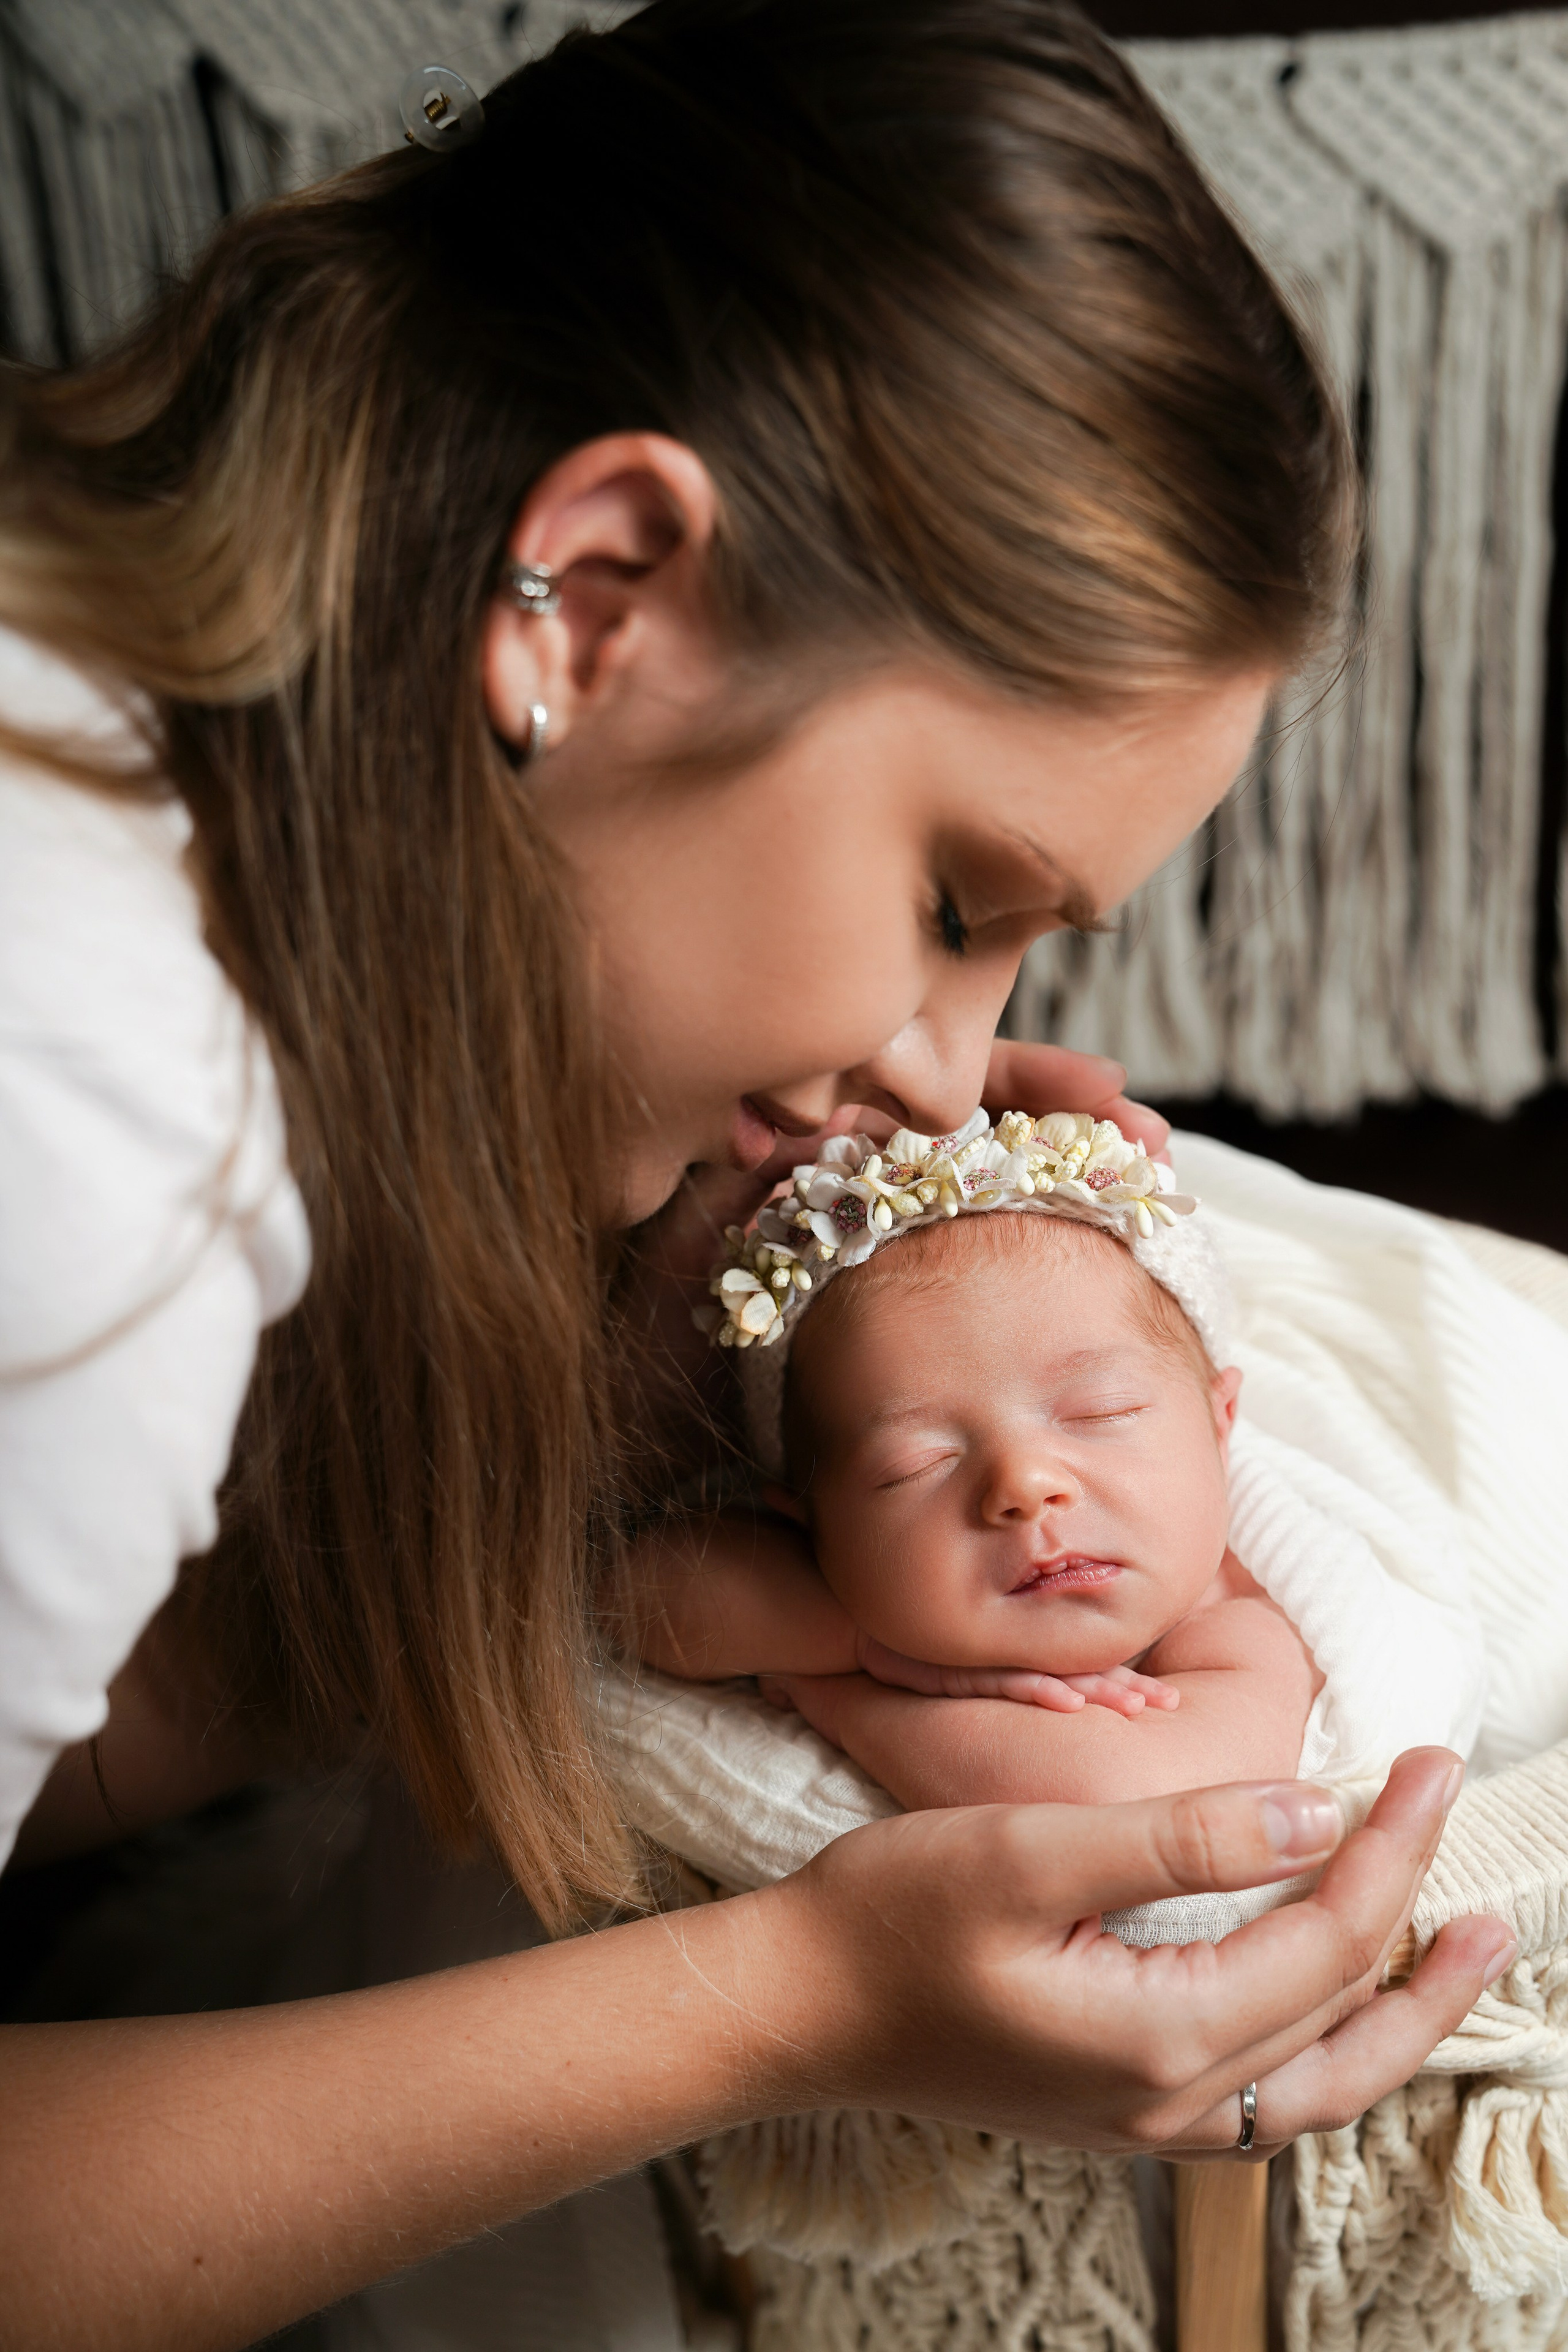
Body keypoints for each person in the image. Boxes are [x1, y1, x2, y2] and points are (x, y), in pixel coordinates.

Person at [0, 2, 1512, 2344]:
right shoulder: (83, 1094)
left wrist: (566, 1430)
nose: (946, 1080)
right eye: (946, 901)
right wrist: (805, 1997)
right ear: (595, 598)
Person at [631, 1106, 1480, 1817]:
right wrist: (859, 1638)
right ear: (811, 1524)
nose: (1025, 1485)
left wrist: (849, 1699)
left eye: (1102, 1414)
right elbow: (628, 1595)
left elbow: (1129, 1793)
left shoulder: (1237, 1618)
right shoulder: (865, 1591)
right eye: (914, 1466)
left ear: (1221, 1428)